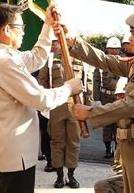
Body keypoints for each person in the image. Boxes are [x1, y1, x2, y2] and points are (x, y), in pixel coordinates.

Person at [71, 11, 134, 192]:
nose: (130, 38)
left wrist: (90, 112)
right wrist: (74, 43)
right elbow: (107, 61)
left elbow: (131, 104)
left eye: (133, 33)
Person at [0, 3, 82, 193]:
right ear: (6, 30)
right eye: (20, 28)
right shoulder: (3, 61)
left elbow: (37, 58)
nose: (23, 33)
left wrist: (47, 24)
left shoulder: (7, 57)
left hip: (16, 149)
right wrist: (68, 88)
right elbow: (40, 99)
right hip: (15, 151)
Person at [37, 39, 84, 189]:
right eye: (56, 41)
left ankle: (71, 175)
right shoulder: (50, 59)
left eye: (61, 40)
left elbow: (86, 85)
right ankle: (59, 176)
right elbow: (42, 81)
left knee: (74, 142)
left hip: (75, 107)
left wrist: (88, 106)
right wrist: (46, 103)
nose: (59, 43)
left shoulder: (80, 59)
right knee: (57, 141)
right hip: (57, 106)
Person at [94, 77, 128, 193]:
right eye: (118, 95)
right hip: (126, 174)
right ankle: (108, 148)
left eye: (122, 95)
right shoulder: (123, 121)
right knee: (101, 186)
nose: (118, 98)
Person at [93, 37, 122, 158]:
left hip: (118, 97)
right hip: (105, 96)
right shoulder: (101, 63)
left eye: (116, 49)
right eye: (111, 49)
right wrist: (97, 99)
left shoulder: (123, 62)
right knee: (107, 124)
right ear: (107, 50)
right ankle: (107, 148)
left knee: (118, 124)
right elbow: (96, 81)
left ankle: (117, 148)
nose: (114, 52)